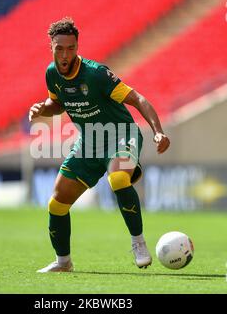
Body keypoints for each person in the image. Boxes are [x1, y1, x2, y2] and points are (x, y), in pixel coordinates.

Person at [29, 17, 170, 273]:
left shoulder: (96, 74)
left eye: (70, 48)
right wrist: (42, 108)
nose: (65, 54)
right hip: (89, 141)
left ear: (77, 47)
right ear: (51, 46)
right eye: (59, 48)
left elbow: (137, 98)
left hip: (121, 134)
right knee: (57, 203)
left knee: (117, 179)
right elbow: (58, 103)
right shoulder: (51, 74)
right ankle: (64, 262)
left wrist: (158, 132)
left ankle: (138, 243)